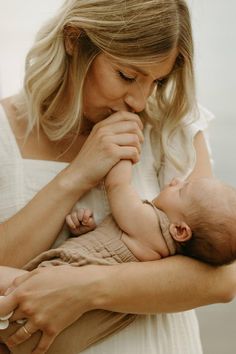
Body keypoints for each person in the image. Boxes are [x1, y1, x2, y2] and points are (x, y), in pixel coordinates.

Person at [0, 0, 235, 354]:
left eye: (157, 81)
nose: (139, 101)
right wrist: (78, 174)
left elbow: (220, 279)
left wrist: (83, 289)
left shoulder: (173, 129)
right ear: (74, 40)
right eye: (127, 75)